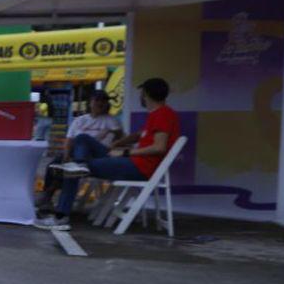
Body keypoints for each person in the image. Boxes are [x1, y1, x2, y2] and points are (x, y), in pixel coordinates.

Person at [37, 77, 180, 231]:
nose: (141, 97)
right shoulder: (159, 114)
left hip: (138, 167)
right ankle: (78, 165)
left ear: (146, 94)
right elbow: (140, 135)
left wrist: (126, 152)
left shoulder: (162, 115)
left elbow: (159, 147)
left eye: (142, 93)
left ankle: (60, 217)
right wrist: (118, 143)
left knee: (73, 170)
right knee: (82, 140)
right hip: (134, 163)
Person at [37, 90, 120, 210]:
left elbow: (120, 136)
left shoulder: (111, 120)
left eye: (104, 100)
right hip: (76, 154)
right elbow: (69, 140)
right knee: (54, 165)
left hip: (97, 156)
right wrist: (66, 157)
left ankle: (76, 165)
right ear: (90, 103)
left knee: (82, 139)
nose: (100, 103)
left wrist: (110, 134)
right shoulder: (80, 120)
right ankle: (48, 196)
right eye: (97, 100)